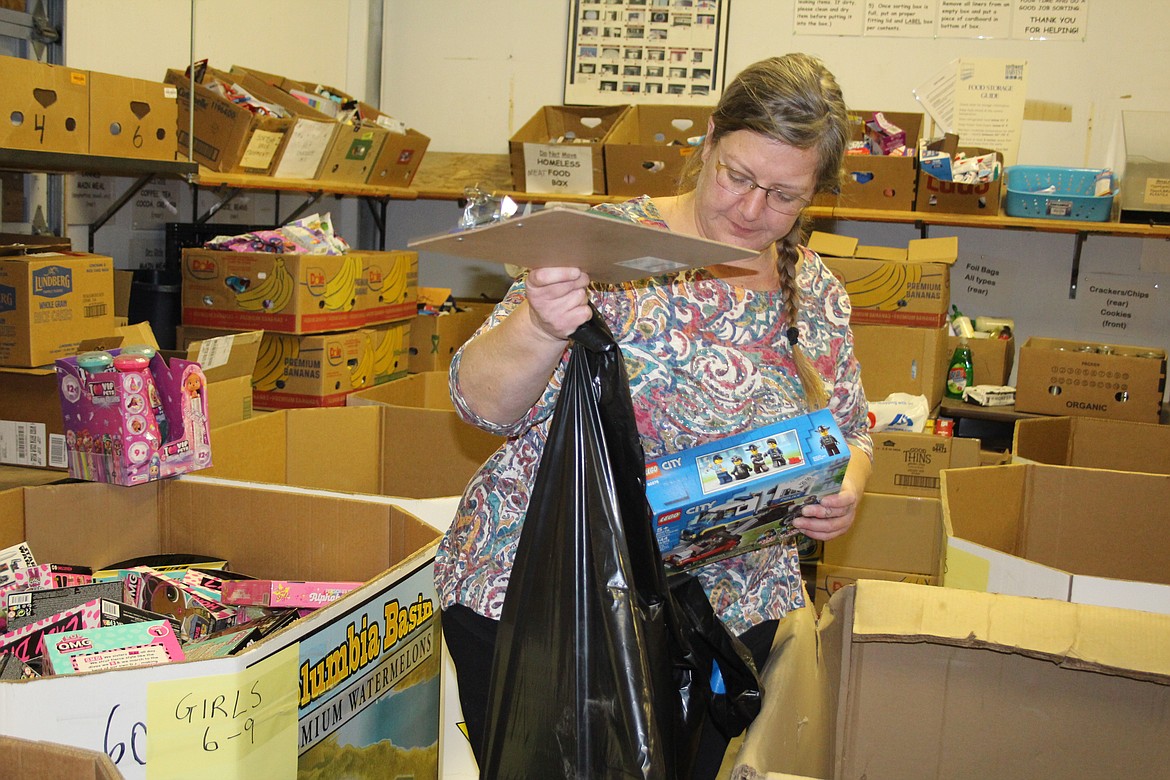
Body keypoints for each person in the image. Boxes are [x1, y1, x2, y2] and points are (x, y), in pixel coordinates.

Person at [437, 52, 873, 778]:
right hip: (554, 600)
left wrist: (850, 486)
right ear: (707, 141)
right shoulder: (601, 246)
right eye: (737, 175)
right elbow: (479, 404)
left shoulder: (817, 293)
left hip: (720, 620)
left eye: (784, 196)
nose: (750, 210)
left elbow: (854, 427)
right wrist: (541, 326)